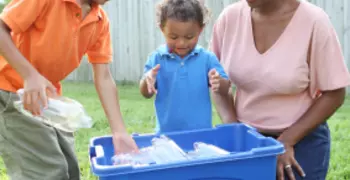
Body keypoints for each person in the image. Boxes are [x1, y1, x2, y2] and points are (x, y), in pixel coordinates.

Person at [209, 0, 350, 180]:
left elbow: (335, 93)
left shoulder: (314, 21)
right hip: (246, 138)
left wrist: (286, 141)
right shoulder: (229, 19)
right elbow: (215, 81)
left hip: (301, 138)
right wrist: (234, 128)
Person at [0, 0, 138, 179]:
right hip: (10, 91)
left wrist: (119, 131)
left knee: (70, 168)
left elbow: (103, 76)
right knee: (48, 171)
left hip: (48, 97)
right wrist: (29, 75)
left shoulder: (99, 20)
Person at [139, 0, 231, 134]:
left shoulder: (207, 59)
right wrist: (147, 82)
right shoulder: (157, 58)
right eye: (173, 37)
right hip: (167, 137)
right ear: (162, 29)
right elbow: (145, 93)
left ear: (200, 29)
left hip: (201, 135)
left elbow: (225, 88)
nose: (181, 43)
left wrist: (219, 82)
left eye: (189, 37)